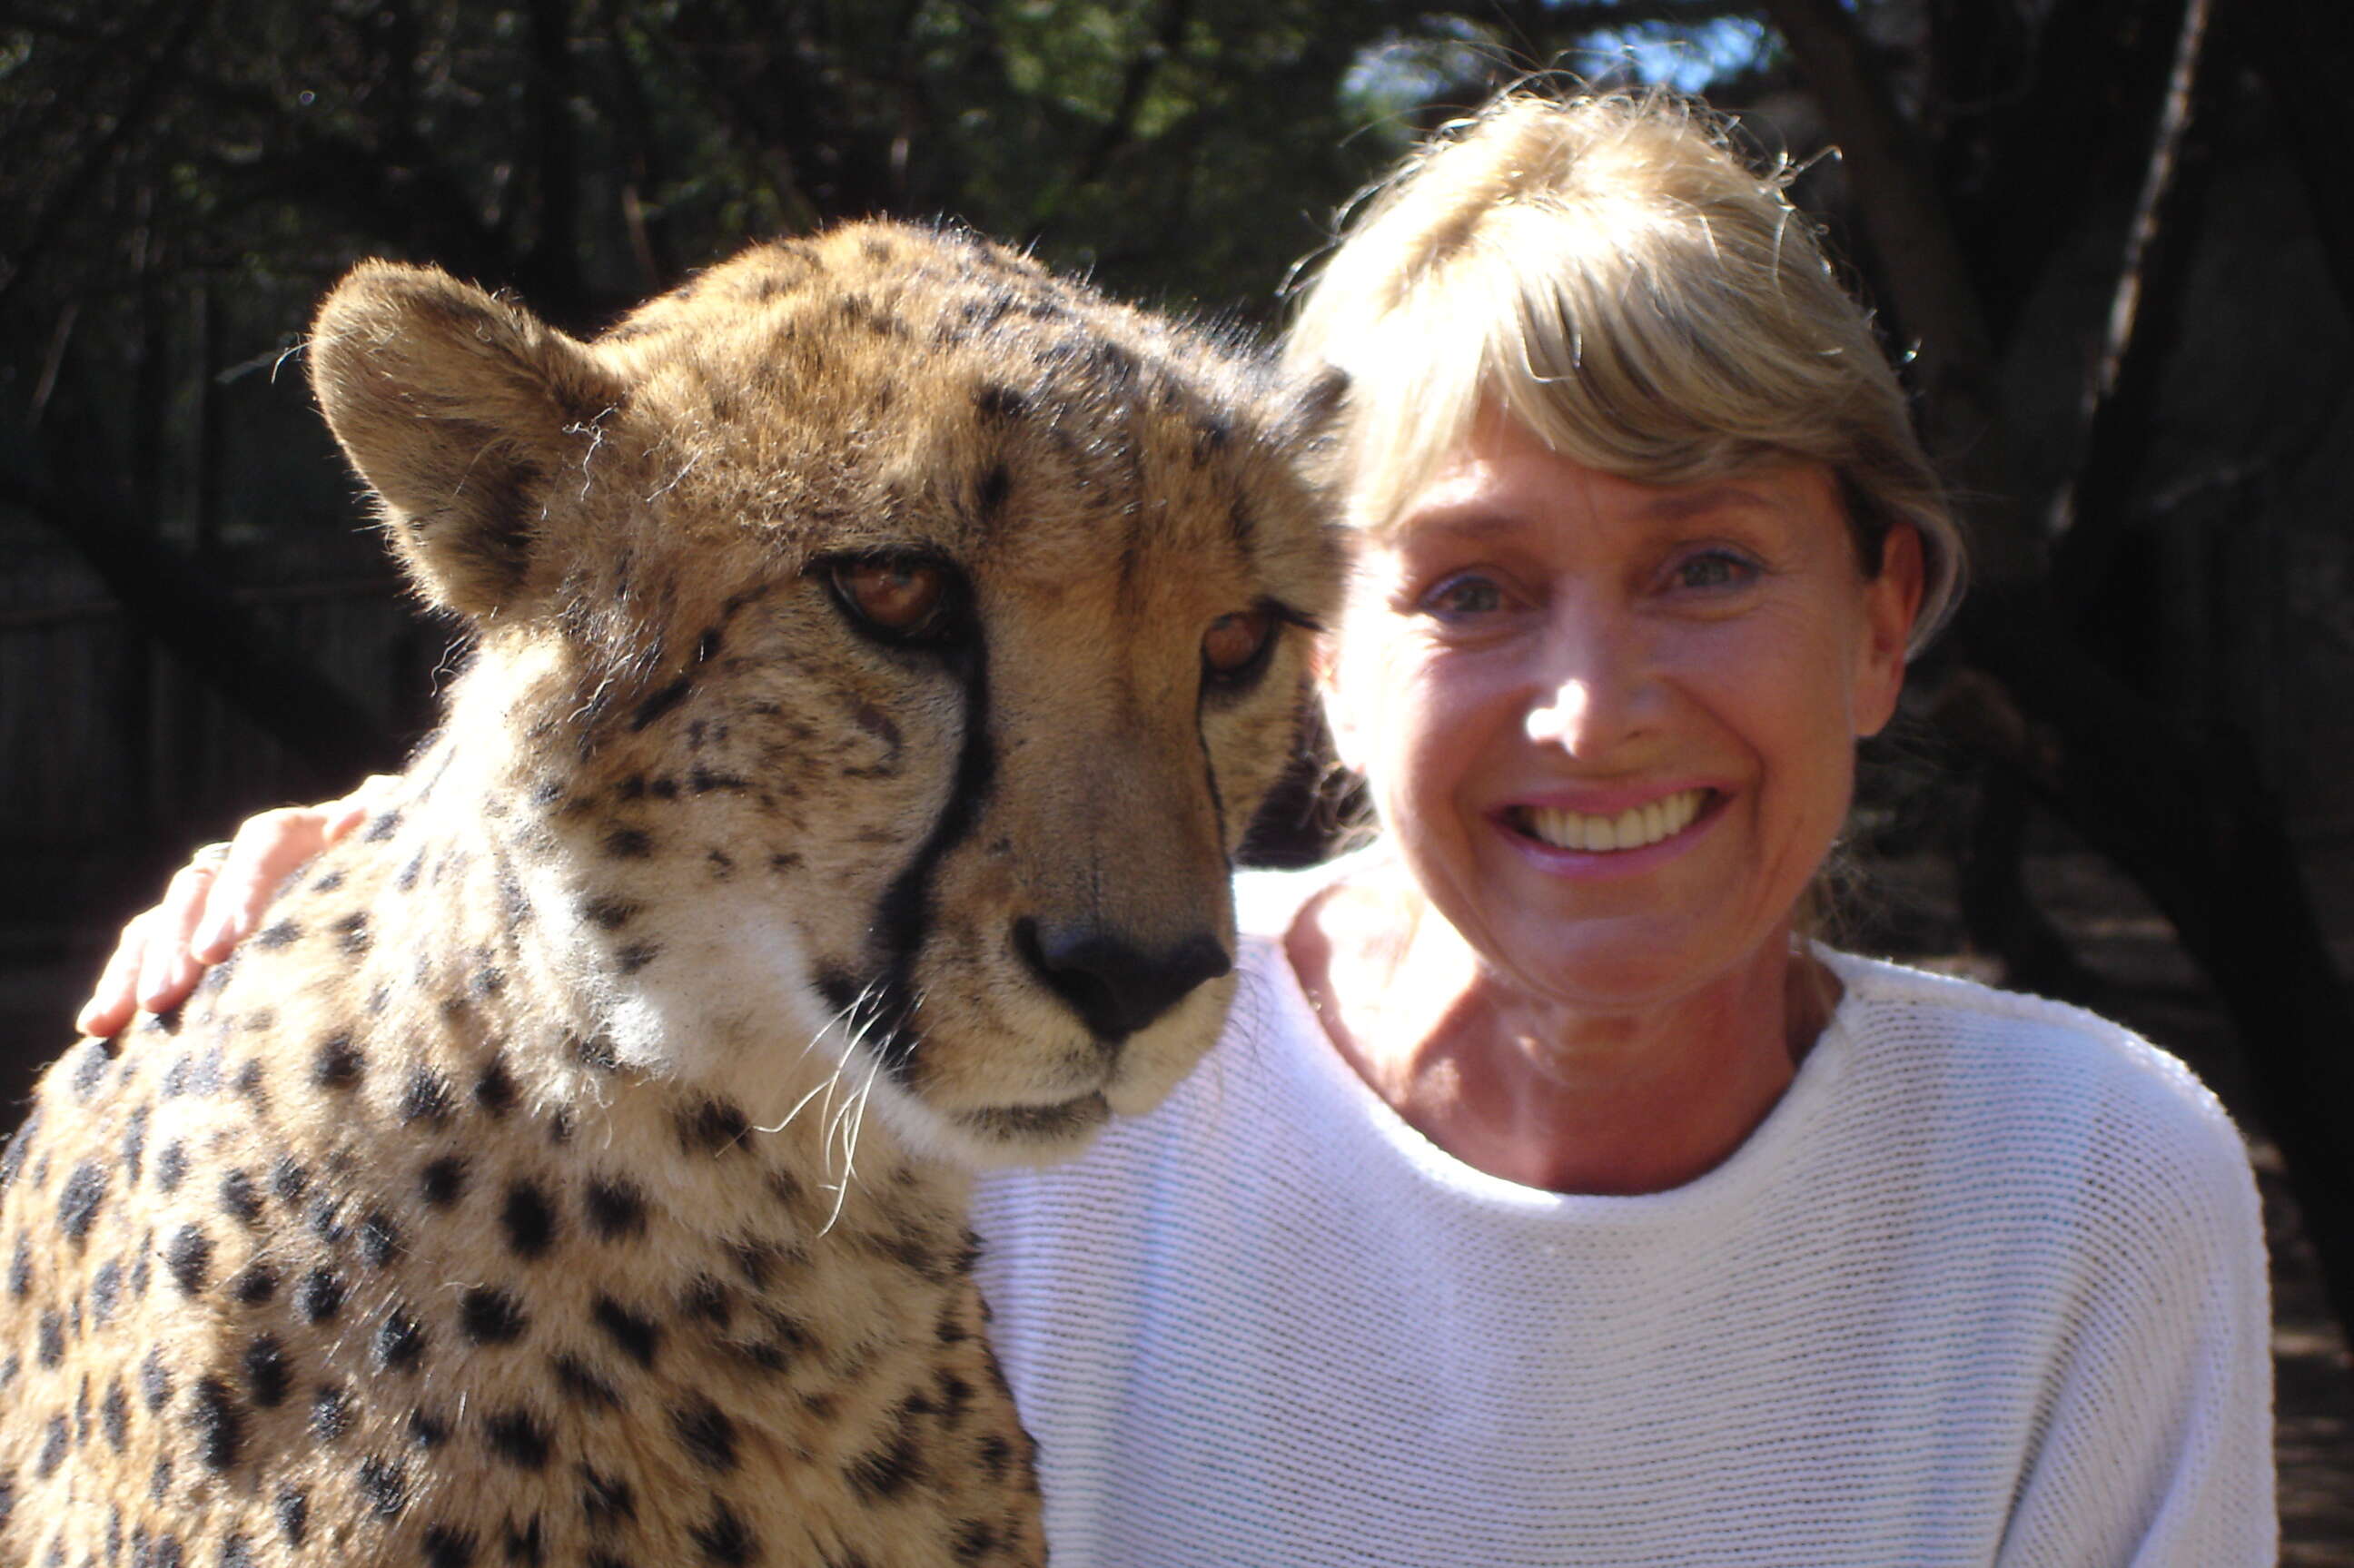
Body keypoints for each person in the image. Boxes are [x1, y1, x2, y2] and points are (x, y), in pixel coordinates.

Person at [75, 88, 2274, 1563]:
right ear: (1358, 657)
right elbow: (629, 835)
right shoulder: (985, 1134)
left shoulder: (2090, 1183)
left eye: (1711, 566)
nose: (1596, 706)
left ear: (1890, 625)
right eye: (1473, 588)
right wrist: (359, 890)